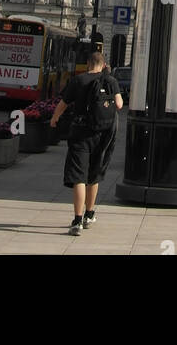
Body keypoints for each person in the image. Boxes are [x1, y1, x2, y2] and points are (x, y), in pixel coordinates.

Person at [49, 48, 123, 235]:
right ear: (103, 65)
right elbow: (120, 105)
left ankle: (77, 220)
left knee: (78, 176)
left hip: (81, 133)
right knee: (93, 175)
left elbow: (63, 103)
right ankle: (90, 214)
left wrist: (54, 118)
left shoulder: (78, 81)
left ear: (89, 64)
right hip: (103, 134)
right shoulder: (111, 81)